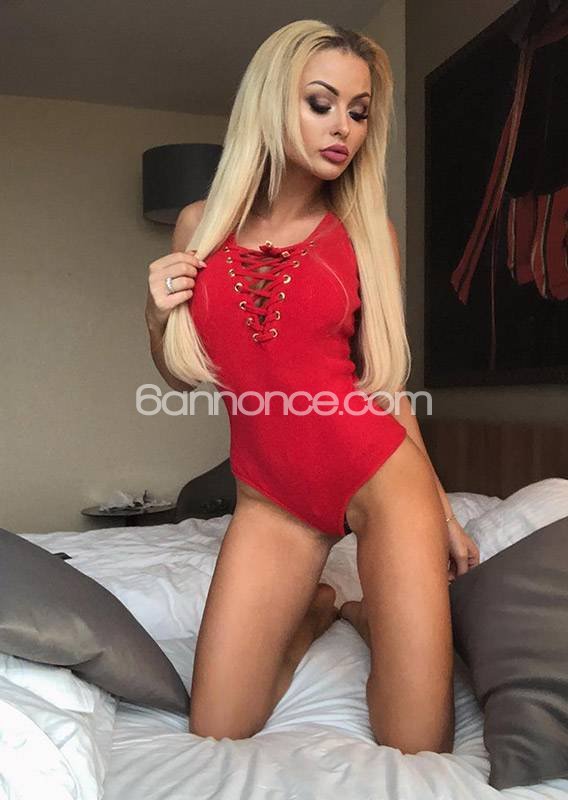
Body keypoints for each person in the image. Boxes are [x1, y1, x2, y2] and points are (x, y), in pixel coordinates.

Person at [144, 20, 480, 755]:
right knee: (217, 725)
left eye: (358, 113)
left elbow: (384, 384)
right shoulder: (199, 226)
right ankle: (320, 610)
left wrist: (441, 510)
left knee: (417, 743)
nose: (343, 128)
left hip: (379, 478)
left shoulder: (367, 235)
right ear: (271, 102)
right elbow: (182, 373)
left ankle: (366, 617)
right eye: (321, 103)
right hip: (270, 498)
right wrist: (155, 313)